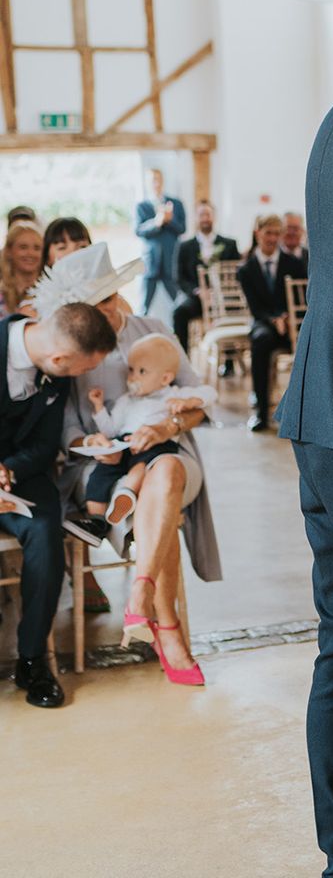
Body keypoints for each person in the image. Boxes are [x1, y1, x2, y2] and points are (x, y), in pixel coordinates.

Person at [34, 243, 222, 687]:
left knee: (168, 472)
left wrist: (168, 426)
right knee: (162, 497)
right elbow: (66, 432)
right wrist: (91, 440)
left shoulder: (151, 328)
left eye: (104, 301)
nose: (99, 313)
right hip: (100, 466)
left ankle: (141, 590)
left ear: (116, 295)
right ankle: (166, 626)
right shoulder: (72, 342)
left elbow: (199, 400)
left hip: (166, 450)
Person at [1, 302, 118, 708]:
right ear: (59, 358)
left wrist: (8, 471)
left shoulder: (56, 371)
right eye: (82, 370)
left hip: (23, 477)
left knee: (46, 536)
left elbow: (44, 444)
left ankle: (33, 660)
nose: (84, 377)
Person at [70, 333, 216, 540]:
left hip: (155, 443)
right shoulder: (126, 401)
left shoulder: (172, 395)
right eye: (131, 370)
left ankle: (127, 494)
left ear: (165, 378)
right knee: (99, 475)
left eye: (141, 372)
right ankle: (97, 521)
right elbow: (111, 429)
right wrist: (99, 408)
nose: (132, 378)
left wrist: (191, 401)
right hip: (124, 443)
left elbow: (210, 392)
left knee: (142, 465)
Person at [237, 213, 307, 432]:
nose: (273, 238)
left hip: (291, 323)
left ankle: (301, 410)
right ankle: (261, 413)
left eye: (277, 233)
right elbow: (255, 307)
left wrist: (286, 317)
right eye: (268, 233)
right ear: (258, 233)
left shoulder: (293, 264)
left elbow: (300, 298)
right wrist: (274, 319)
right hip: (263, 322)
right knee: (260, 341)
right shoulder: (246, 270)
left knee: (309, 338)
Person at [173, 199, 241, 355]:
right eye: (201, 215)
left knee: (236, 310)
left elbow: (237, 275)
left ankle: (228, 362)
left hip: (224, 298)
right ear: (196, 218)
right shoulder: (184, 246)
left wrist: (220, 292)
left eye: (208, 214)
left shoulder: (229, 244)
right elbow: (178, 278)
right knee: (179, 313)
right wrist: (198, 292)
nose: (205, 218)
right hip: (197, 298)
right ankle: (184, 359)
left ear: (214, 217)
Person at [134, 168, 186, 315]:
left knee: (179, 302)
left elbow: (182, 228)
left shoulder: (176, 203)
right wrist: (156, 222)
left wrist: (169, 220)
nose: (156, 183)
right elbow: (138, 230)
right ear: (147, 183)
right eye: (152, 180)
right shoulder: (142, 207)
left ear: (162, 181)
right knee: (144, 306)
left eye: (158, 179)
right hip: (151, 263)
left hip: (171, 261)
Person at [2, 220, 44, 315]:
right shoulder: (1, 293)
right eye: (23, 247)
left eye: (37, 248)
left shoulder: (53, 293)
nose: (31, 253)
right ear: (9, 251)